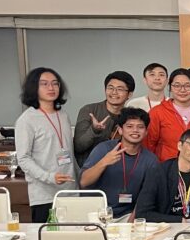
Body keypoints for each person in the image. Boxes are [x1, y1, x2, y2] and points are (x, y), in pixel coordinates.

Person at [15, 67, 76, 222]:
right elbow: (23, 159)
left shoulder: (63, 115)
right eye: (44, 84)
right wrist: (49, 177)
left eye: (55, 83)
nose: (51, 88)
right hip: (44, 195)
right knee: (48, 236)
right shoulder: (26, 120)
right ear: (33, 88)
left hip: (70, 192)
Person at [80, 107, 159, 217]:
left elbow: (146, 195)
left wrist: (132, 220)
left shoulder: (150, 159)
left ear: (146, 132)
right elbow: (83, 182)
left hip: (126, 215)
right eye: (129, 126)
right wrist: (104, 162)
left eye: (140, 127)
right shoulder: (104, 149)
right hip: (97, 212)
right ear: (120, 130)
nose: (135, 130)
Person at [136, 128, 190, 223]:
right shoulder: (159, 172)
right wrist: (178, 220)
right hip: (170, 228)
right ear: (180, 145)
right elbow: (143, 213)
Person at [144, 68, 190, 161]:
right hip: (166, 165)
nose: (182, 90)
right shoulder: (157, 112)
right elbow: (149, 145)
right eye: (177, 85)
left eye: (187, 85)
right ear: (170, 87)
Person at [73, 70, 135, 166]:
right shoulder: (89, 110)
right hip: (89, 169)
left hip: (117, 169)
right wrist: (94, 130)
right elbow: (79, 147)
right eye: (110, 88)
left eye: (120, 89)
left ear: (129, 94)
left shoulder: (130, 117)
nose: (114, 92)